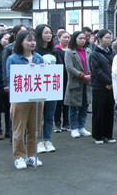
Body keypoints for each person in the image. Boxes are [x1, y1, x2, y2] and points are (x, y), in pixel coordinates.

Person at [5, 31, 44, 170]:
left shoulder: (38, 58)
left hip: (37, 98)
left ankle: (32, 155)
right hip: (20, 98)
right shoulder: (13, 58)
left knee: (35, 128)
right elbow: (11, 78)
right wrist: (27, 70)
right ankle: (19, 156)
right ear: (20, 42)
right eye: (29, 40)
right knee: (19, 129)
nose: (32, 43)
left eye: (34, 40)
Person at [34, 24, 58, 153]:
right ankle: (37, 140)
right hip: (38, 87)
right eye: (46, 33)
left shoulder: (54, 51)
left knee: (49, 115)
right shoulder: (35, 52)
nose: (49, 35)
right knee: (38, 115)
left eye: (50, 33)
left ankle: (47, 139)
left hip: (51, 86)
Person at [65, 31, 93, 138]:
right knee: (73, 107)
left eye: (84, 39)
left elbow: (91, 64)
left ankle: (82, 127)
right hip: (75, 82)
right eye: (80, 38)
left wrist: (90, 74)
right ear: (75, 39)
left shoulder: (88, 51)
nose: (82, 40)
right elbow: (69, 68)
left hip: (87, 83)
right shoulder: (70, 52)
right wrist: (82, 75)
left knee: (84, 106)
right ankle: (74, 128)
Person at [90, 29, 116, 144]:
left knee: (109, 110)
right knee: (99, 110)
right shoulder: (94, 54)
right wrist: (108, 82)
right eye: (107, 38)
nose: (109, 40)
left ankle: (108, 134)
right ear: (99, 39)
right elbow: (97, 71)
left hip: (112, 86)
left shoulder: (113, 53)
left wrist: (113, 82)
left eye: (110, 37)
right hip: (99, 86)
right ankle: (98, 135)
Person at [54, 30, 71, 132]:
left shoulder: (70, 50)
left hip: (69, 78)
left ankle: (66, 122)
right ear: (58, 38)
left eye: (68, 37)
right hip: (59, 77)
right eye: (64, 37)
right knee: (58, 102)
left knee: (67, 101)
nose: (67, 39)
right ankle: (57, 122)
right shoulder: (55, 50)